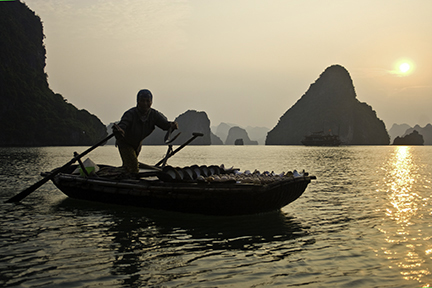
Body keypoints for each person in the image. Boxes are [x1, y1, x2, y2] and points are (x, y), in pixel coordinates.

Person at [113, 89, 178, 174]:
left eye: (148, 101)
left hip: (137, 144)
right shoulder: (130, 114)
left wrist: (171, 125)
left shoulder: (154, 115)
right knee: (133, 168)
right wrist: (120, 130)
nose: (145, 104)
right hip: (125, 143)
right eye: (142, 101)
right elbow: (122, 125)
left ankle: (121, 177)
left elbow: (164, 125)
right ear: (138, 102)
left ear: (151, 102)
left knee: (128, 167)